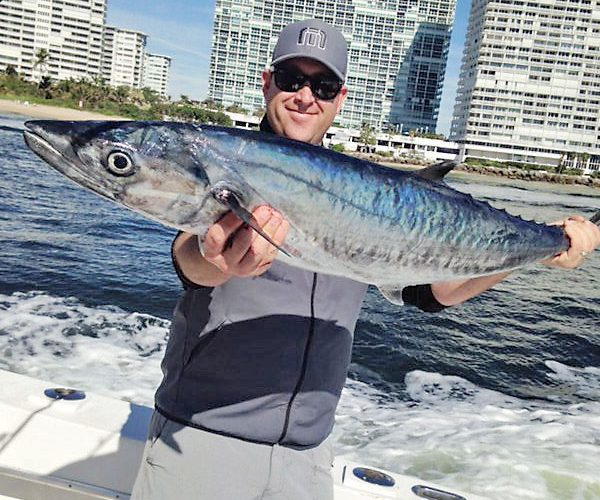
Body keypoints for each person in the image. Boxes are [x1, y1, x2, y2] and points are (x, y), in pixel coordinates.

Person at [131, 18, 600, 500]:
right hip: (202, 440)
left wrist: (543, 249)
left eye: (324, 85)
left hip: (308, 455)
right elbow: (191, 262)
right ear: (268, 83)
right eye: (292, 80)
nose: (305, 96)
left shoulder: (365, 195)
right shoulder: (222, 164)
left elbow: (434, 292)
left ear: (340, 97)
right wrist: (220, 261)